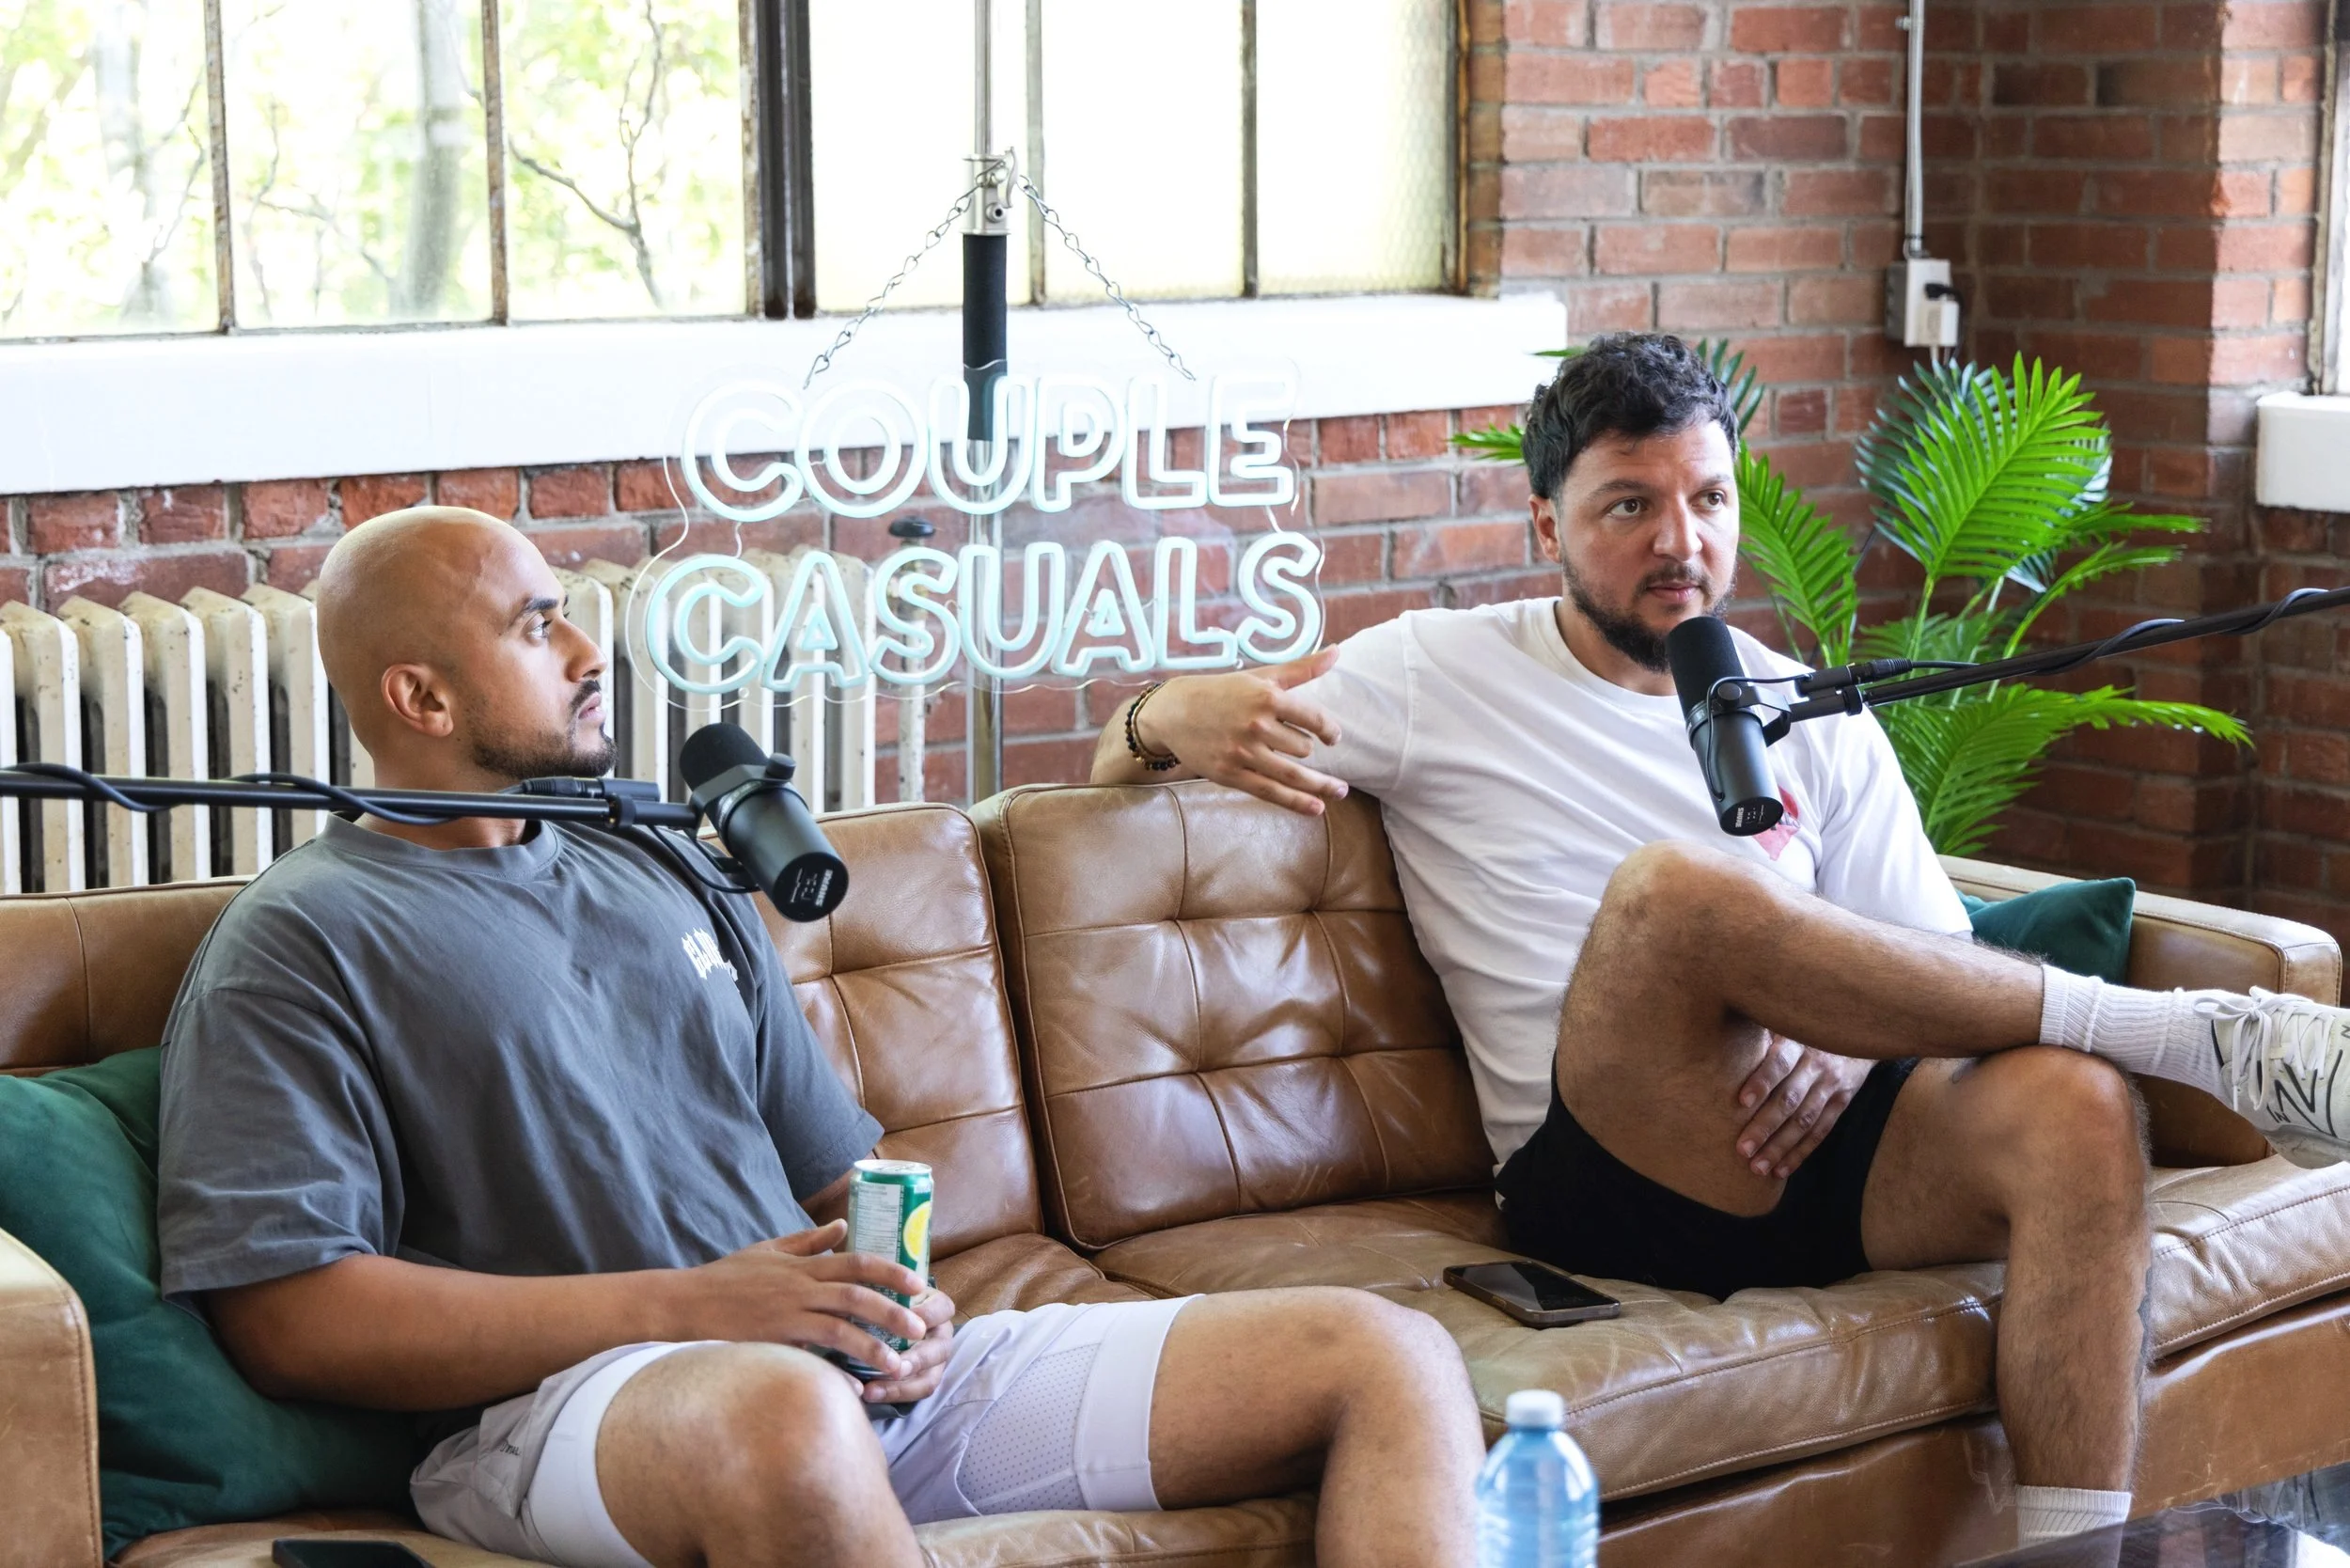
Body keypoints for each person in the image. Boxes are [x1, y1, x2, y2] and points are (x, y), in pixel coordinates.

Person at [1090, 332, 2350, 1551]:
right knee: (1676, 893)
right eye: (1627, 507)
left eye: (1705, 499)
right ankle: (2204, 1041)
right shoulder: (1432, 672)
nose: (1677, 543)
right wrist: (1154, 711)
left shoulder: (1804, 705)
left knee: (2077, 1108)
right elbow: (1133, 754)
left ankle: (2075, 1552)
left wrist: (1854, 1052)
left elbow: (1934, 960)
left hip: (1832, 1152)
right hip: (1606, 1168)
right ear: (1548, 528)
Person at [156, 508, 1484, 1568]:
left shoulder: (658, 868)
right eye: (537, 625)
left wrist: (901, 1299)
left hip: (840, 1379)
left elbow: (845, 1180)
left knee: (1384, 1354)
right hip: (577, 1412)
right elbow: (289, 1315)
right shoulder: (302, 938)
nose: (584, 652)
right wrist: (702, 1306)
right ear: (422, 698)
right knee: (779, 1416)